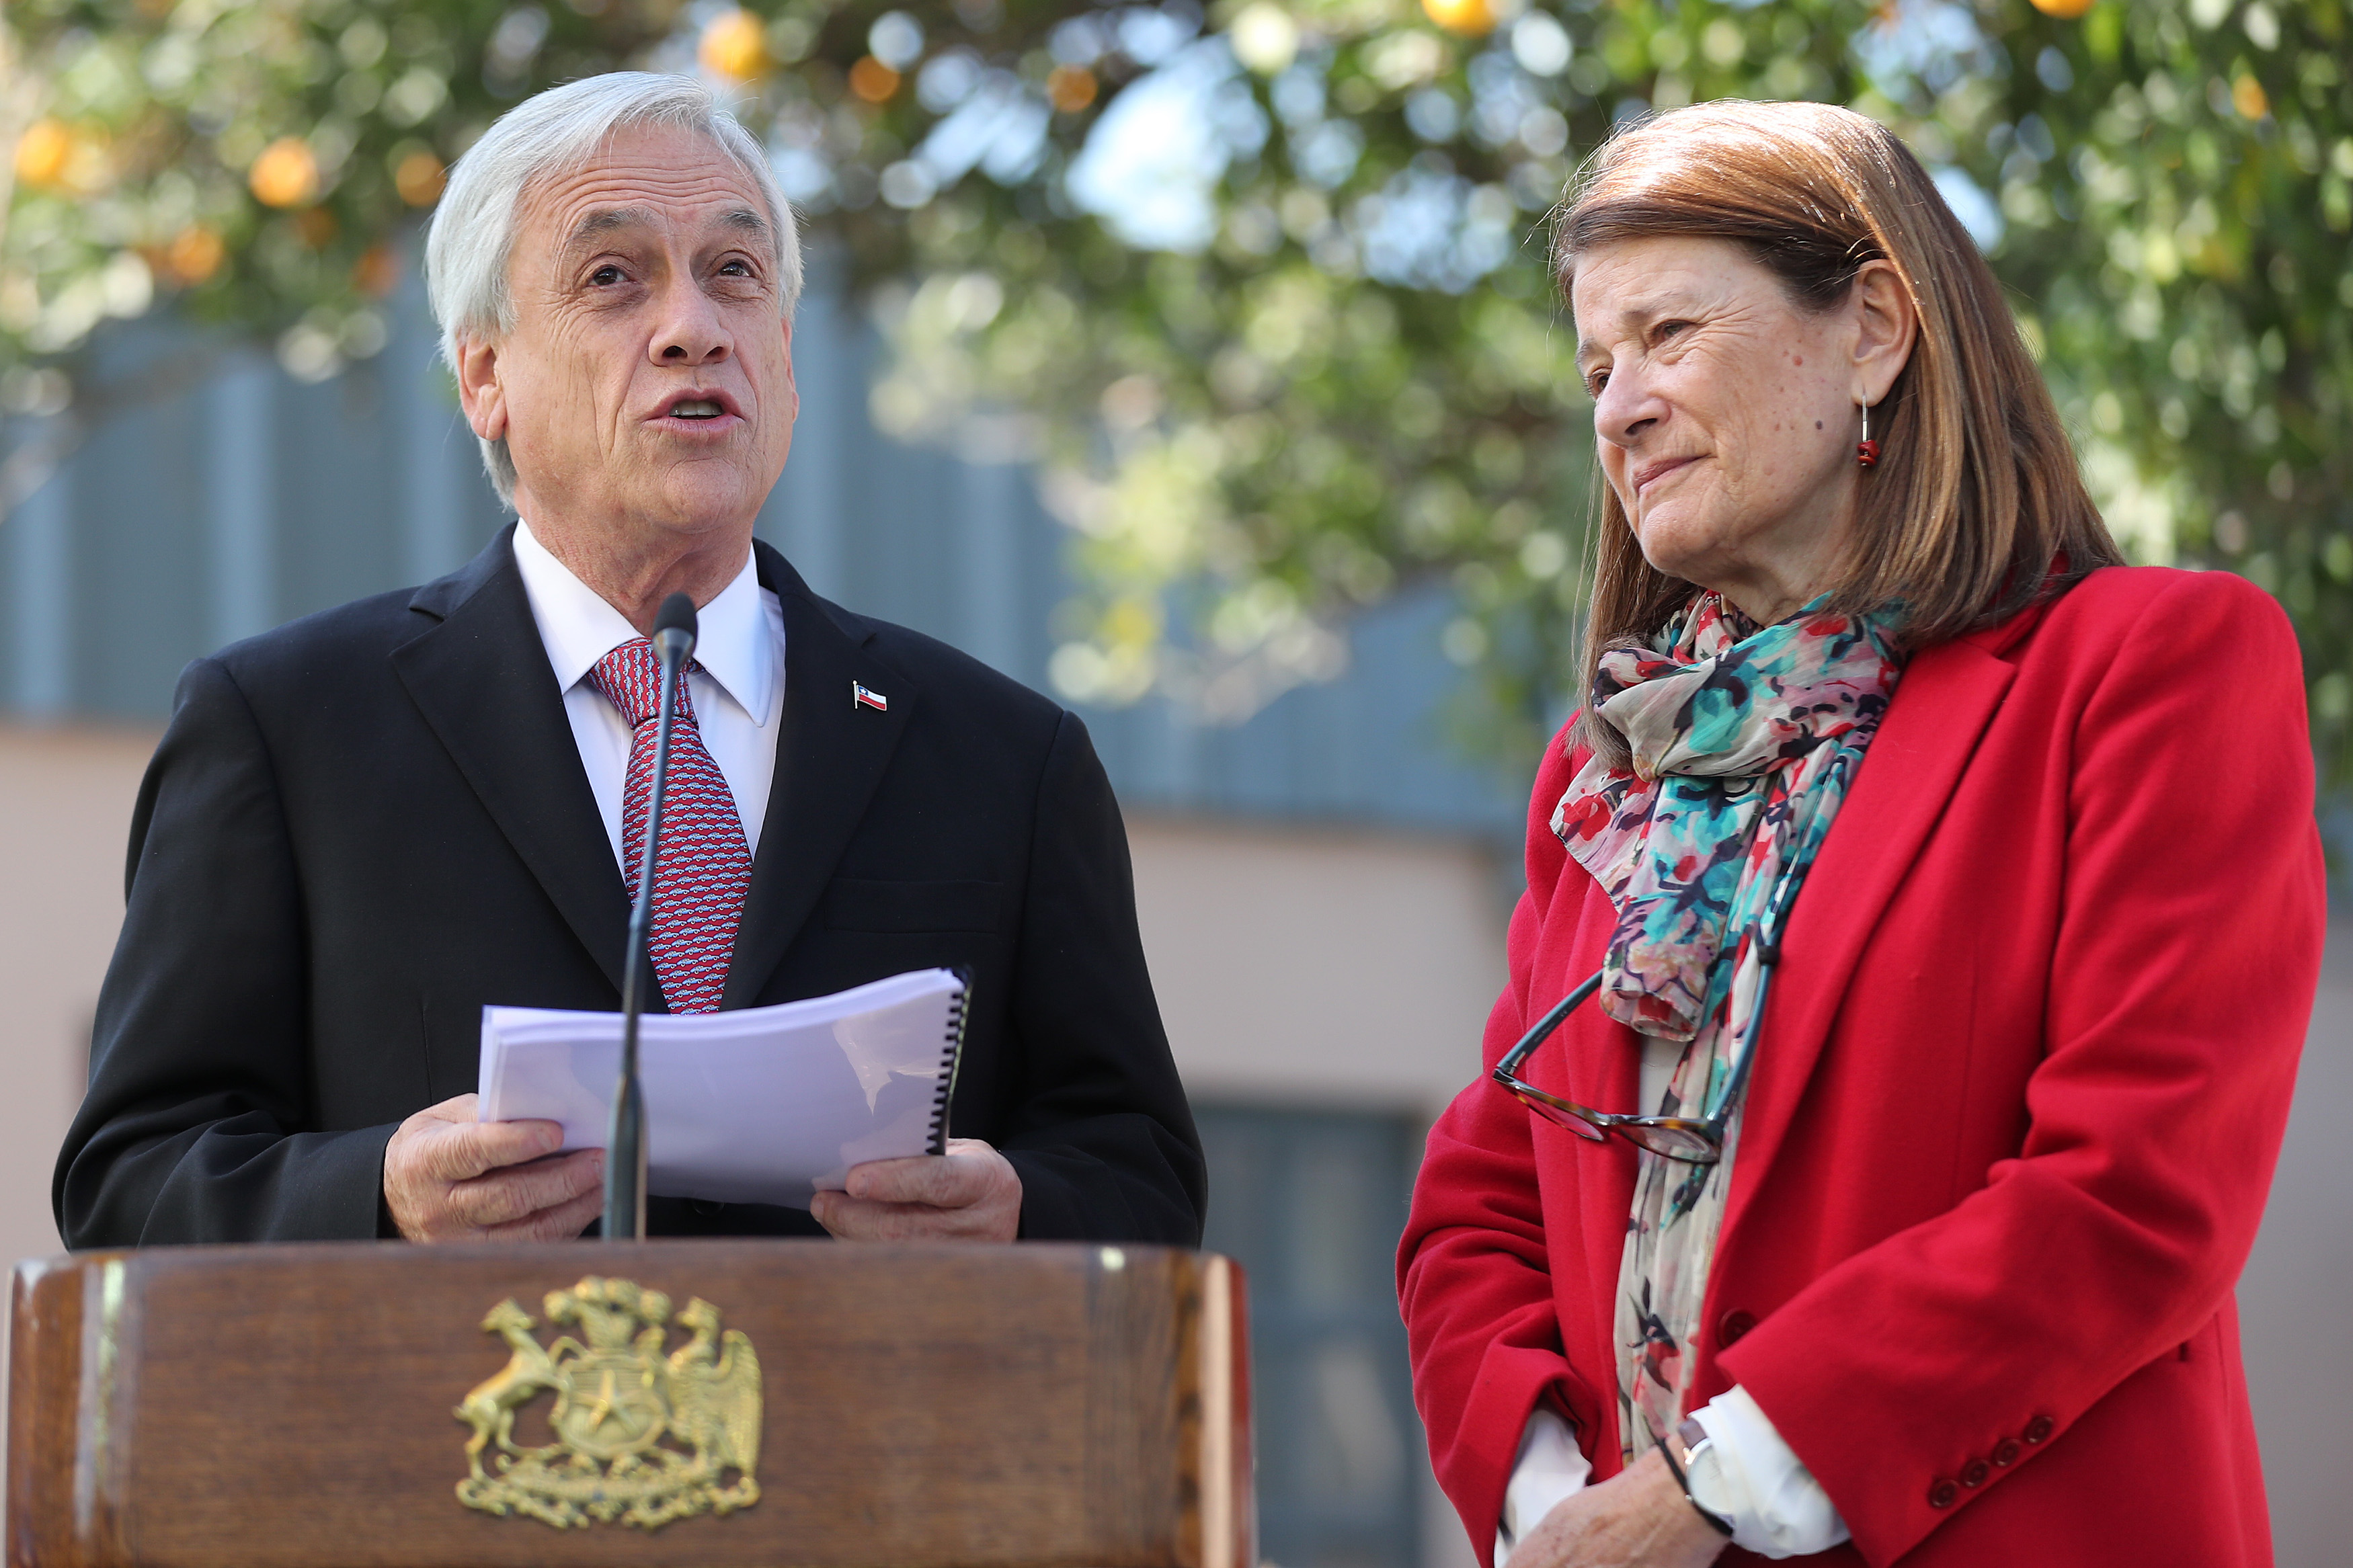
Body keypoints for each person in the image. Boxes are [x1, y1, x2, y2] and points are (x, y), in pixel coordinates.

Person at [1397, 100, 2323, 1568]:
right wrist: (1549, 1507)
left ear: (1874, 328)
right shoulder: (1608, 774)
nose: (1616, 405)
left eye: (1668, 337)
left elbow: (2137, 1192)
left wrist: (1708, 1491)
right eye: (1595, 363)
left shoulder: (2152, 670)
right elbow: (1477, 1210)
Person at [56, 73, 1203, 1250]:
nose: (694, 327)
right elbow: (133, 1177)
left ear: (787, 357)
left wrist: (1020, 1209)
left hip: (873, 1421)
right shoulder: (289, 729)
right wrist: (380, 1195)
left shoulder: (1004, 757)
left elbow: (1141, 1176)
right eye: (614, 277)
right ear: (486, 376)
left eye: (736, 274)